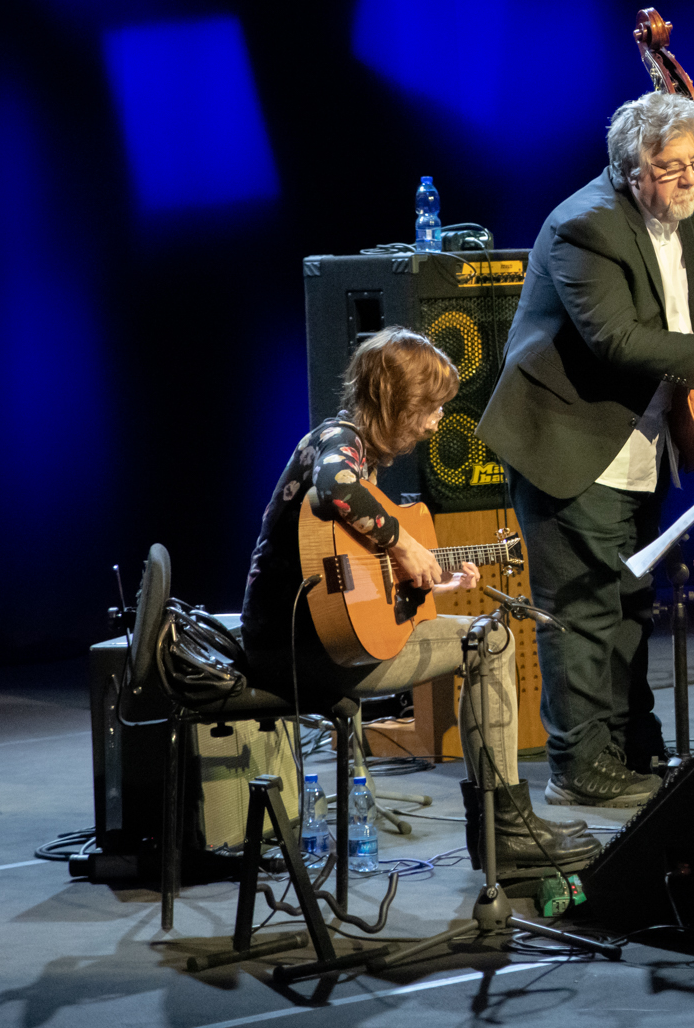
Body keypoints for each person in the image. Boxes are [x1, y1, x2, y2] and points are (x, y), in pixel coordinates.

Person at [478, 90, 694, 807]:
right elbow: (618, 341)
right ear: (630, 169)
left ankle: (627, 745)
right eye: (669, 168)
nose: (688, 181)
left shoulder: (690, 217)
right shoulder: (582, 227)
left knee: (628, 604)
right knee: (582, 609)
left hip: (639, 442)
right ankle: (577, 767)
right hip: (568, 440)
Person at [240, 326, 597, 873]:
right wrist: (404, 544)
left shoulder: (362, 458)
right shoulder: (340, 442)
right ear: (394, 403)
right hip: (304, 656)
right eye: (428, 409)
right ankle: (505, 826)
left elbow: (350, 584)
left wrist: (424, 582)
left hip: (311, 644)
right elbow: (334, 487)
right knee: (492, 640)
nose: (435, 424)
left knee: (484, 633)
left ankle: (504, 823)